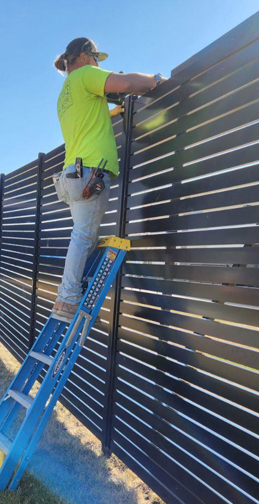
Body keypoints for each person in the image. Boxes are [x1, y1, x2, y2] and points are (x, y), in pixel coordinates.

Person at [51, 37, 165, 323]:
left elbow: (91, 117)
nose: (99, 63)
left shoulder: (66, 91)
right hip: (89, 173)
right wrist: (155, 79)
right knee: (83, 237)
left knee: (84, 237)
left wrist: (115, 112)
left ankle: (72, 292)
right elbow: (127, 84)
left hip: (71, 175)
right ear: (84, 55)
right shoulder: (86, 75)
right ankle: (67, 300)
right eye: (96, 57)